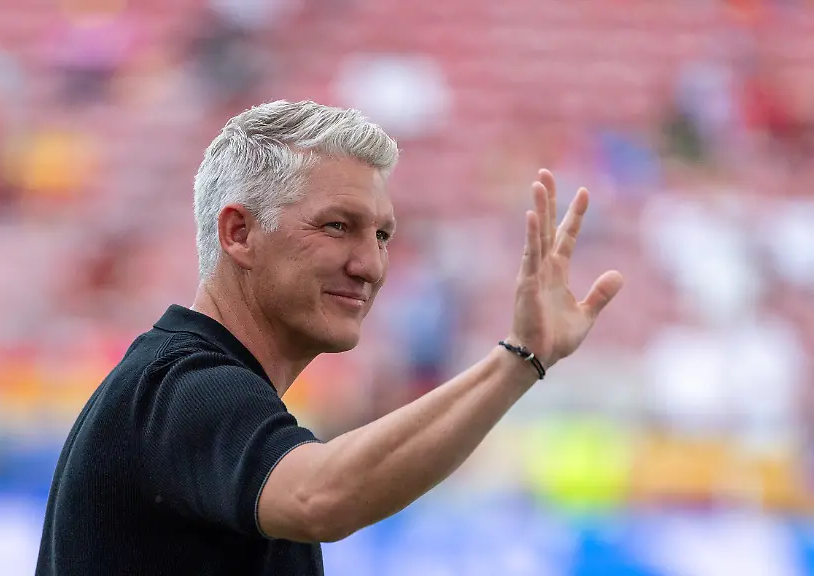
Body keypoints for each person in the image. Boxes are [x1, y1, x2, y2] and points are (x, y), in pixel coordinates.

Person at [35, 100, 624, 575]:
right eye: (338, 226)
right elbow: (320, 497)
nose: (370, 265)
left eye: (383, 236)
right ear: (239, 233)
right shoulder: (183, 386)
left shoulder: (182, 385)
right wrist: (517, 361)